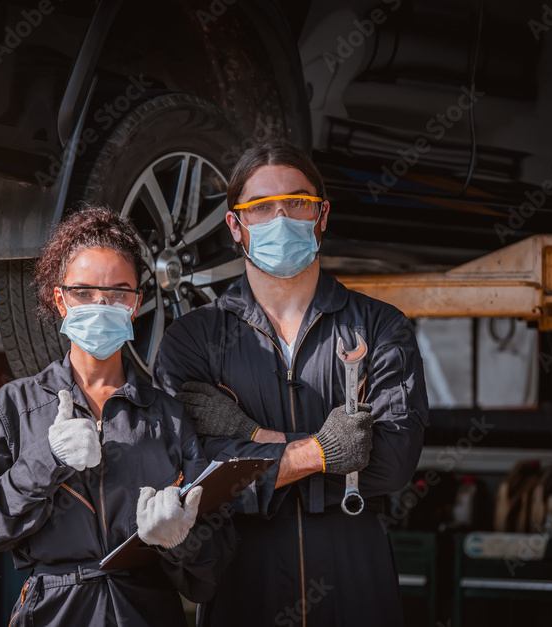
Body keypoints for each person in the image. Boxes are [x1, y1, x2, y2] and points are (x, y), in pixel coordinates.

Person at [153, 139, 429, 626]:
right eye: (261, 208)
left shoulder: (381, 327)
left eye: (298, 203)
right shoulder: (192, 341)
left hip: (356, 587)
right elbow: (193, 481)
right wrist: (324, 451)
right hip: (244, 587)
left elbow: (390, 462)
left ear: (321, 217)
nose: (281, 219)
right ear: (235, 226)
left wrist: (253, 443)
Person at [0, 205, 234, 627]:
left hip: (146, 612)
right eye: (84, 293)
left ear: (136, 303)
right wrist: (46, 459)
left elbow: (211, 574)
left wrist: (181, 541)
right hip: (53, 612)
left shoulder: (168, 417)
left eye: (118, 293)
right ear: (60, 299)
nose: (101, 305)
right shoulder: (18, 405)